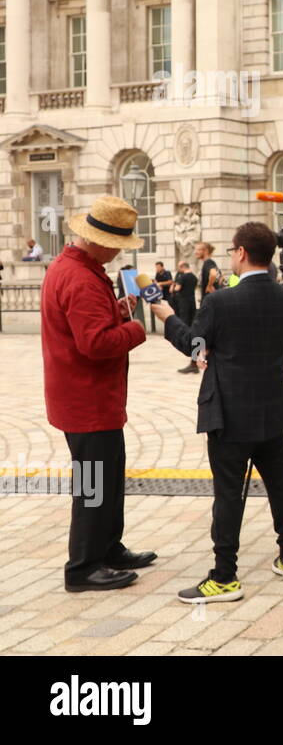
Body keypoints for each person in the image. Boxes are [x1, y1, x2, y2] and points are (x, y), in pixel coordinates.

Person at [151, 222, 283, 603]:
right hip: (272, 408)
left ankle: (224, 576)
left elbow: (195, 345)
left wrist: (168, 317)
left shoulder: (221, 301)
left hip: (230, 411)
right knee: (280, 483)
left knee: (228, 494)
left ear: (240, 253)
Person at [40, 196, 154, 592]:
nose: (120, 251)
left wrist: (116, 311)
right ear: (99, 240)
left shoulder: (74, 268)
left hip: (90, 399)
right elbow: (95, 343)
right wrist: (136, 328)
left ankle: (108, 548)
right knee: (94, 484)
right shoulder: (81, 278)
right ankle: (83, 567)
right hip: (87, 401)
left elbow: (87, 326)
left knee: (108, 478)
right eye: (118, 244)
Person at [177, 242, 222, 373]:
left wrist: (209, 286)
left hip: (207, 305)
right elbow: (220, 277)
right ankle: (195, 362)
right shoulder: (209, 263)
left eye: (198, 250)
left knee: (197, 334)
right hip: (209, 304)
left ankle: (194, 363)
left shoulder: (209, 263)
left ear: (205, 250)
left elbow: (214, 274)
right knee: (203, 335)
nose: (195, 252)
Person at [171, 262, 198, 330]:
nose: (178, 269)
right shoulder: (194, 277)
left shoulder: (182, 277)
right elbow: (195, 288)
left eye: (179, 267)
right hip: (192, 299)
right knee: (191, 317)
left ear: (183, 267)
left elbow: (177, 288)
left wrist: (173, 287)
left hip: (183, 300)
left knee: (184, 318)